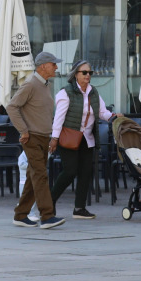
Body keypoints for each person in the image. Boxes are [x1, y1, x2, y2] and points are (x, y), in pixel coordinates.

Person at [49, 60, 122, 220]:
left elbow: (102, 112)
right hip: (68, 138)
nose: (88, 75)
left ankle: (79, 208)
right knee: (70, 171)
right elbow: (58, 118)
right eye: (84, 72)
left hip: (87, 139)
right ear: (76, 74)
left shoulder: (93, 92)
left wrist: (113, 117)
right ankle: (50, 200)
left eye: (90, 72)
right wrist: (54, 138)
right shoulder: (65, 93)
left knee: (85, 172)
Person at [6, 50, 65, 230]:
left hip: (42, 137)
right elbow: (12, 107)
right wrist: (23, 130)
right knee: (40, 175)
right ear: (43, 66)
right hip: (32, 137)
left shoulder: (45, 84)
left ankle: (21, 214)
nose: (56, 66)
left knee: (34, 177)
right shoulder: (30, 84)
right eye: (53, 64)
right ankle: (47, 216)